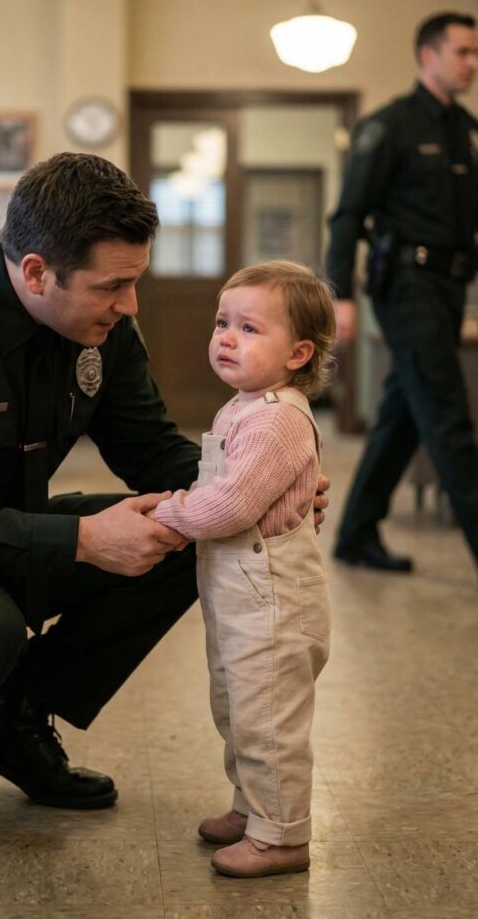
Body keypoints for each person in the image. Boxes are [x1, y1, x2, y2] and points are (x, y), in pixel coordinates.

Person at [0, 153, 329, 848]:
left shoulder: (100, 323)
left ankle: (10, 719)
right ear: (37, 272)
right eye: (113, 286)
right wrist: (82, 541)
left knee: (182, 537)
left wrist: (255, 486)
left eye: (134, 281)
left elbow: (149, 448)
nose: (130, 305)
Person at [151, 261, 335, 878]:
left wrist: (170, 515)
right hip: (241, 600)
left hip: (275, 606)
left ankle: (282, 837)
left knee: (269, 721)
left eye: (249, 328)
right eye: (221, 323)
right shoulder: (242, 407)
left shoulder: (278, 419)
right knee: (237, 710)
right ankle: (253, 808)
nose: (226, 338)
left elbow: (231, 506)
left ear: (298, 353)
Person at [328, 12, 478, 573]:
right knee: (447, 415)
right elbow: (347, 215)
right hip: (406, 287)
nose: (472, 64)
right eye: (462, 52)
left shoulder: (466, 130)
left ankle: (355, 534)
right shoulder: (388, 126)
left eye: (475, 54)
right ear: (428, 55)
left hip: (450, 285)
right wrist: (340, 295)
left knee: (405, 411)